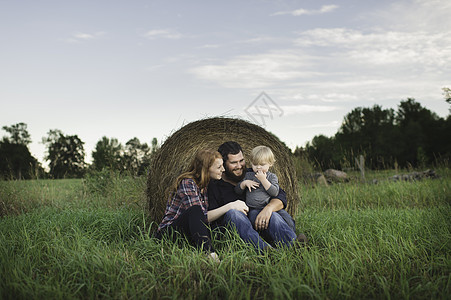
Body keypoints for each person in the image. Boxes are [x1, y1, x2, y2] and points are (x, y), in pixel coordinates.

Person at [207, 141, 306, 252]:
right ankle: (265, 250)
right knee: (233, 213)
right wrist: (231, 207)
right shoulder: (214, 186)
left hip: (261, 221)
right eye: (234, 163)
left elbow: (280, 196)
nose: (239, 166)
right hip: (239, 227)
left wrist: (268, 209)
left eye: (241, 161)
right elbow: (211, 219)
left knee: (273, 215)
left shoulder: (253, 174)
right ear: (223, 164)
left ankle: (294, 247)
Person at [157, 148, 225, 262]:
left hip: (187, 234)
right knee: (195, 210)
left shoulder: (207, 185)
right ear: (206, 169)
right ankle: (210, 254)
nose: (223, 169)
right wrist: (230, 206)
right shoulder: (187, 183)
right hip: (168, 234)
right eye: (219, 167)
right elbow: (201, 217)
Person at [234, 145, 294, 231]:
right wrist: (244, 183)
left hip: (267, 205)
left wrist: (263, 180)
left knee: (286, 217)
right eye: (255, 164)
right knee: (256, 219)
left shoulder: (272, 177)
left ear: (270, 164)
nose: (258, 167)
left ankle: (293, 235)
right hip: (253, 209)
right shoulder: (248, 175)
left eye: (262, 164)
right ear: (251, 163)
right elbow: (237, 190)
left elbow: (275, 192)